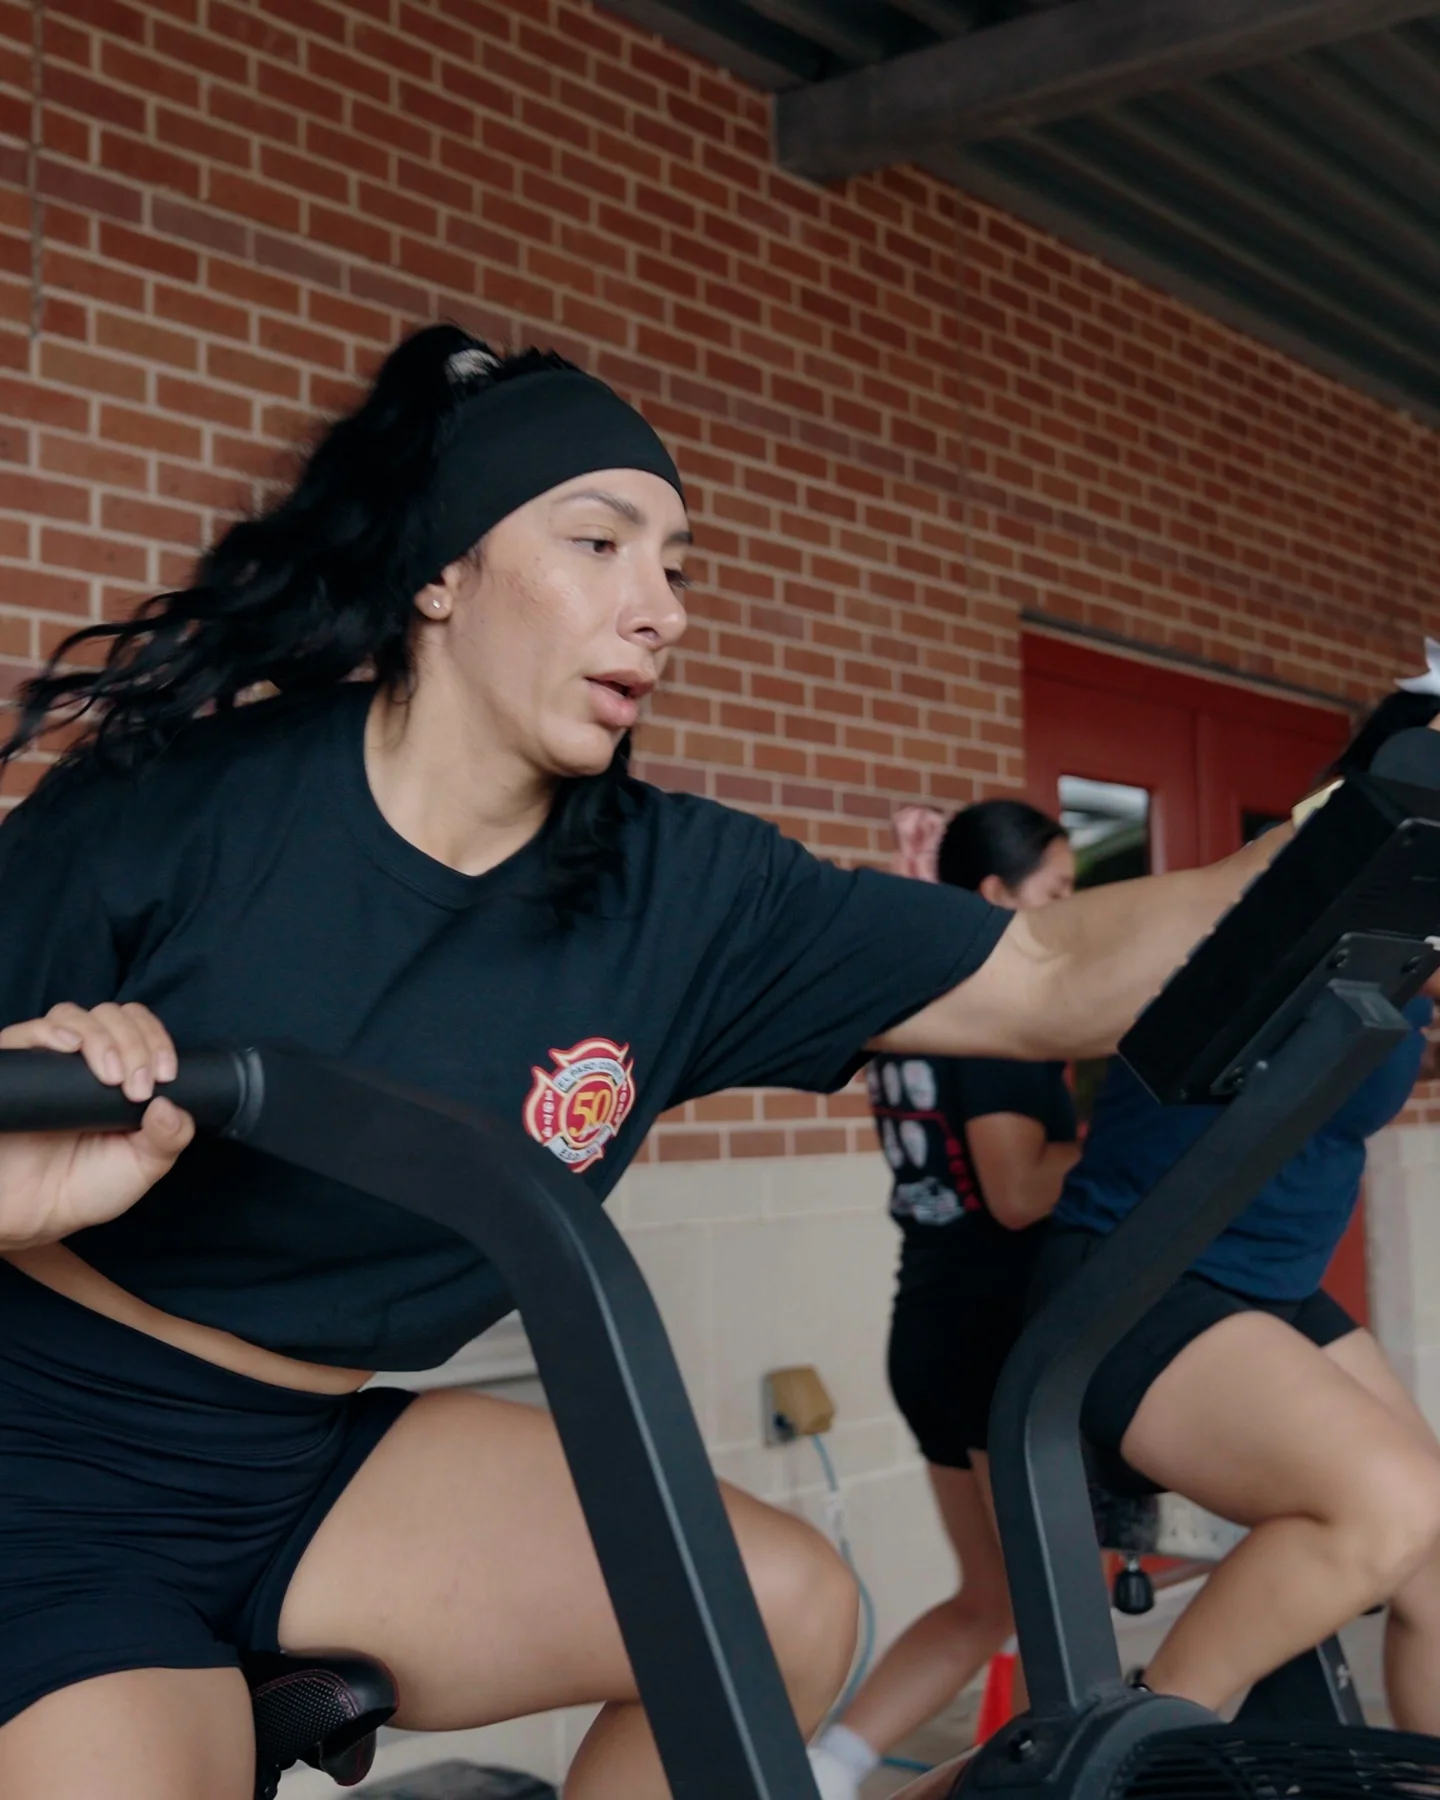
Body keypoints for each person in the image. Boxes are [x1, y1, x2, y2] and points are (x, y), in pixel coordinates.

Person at [0, 323, 1288, 1800]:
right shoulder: (179, 811)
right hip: (40, 1451)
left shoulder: (678, 893)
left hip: (311, 1456)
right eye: (600, 542)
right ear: (441, 573)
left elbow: (1051, 977)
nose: (660, 609)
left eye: (675, 566)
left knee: (781, 1607)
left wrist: (1346, 839)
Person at [1032, 686, 1440, 1733]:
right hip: (1142, 1282)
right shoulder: (1267, 906)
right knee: (1387, 1502)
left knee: (1437, 1562)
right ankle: (1129, 1758)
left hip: (1272, 1290)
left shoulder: (1399, 936)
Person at [809, 801, 1080, 1800]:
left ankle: (823, 1771)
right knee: (1055, 1613)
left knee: (992, 1598)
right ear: (999, 894)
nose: (1073, 908)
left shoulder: (922, 999)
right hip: (993, 1338)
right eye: (1058, 890)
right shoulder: (996, 1020)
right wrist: (1128, 1146)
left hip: (930, 1326)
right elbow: (1016, 1192)